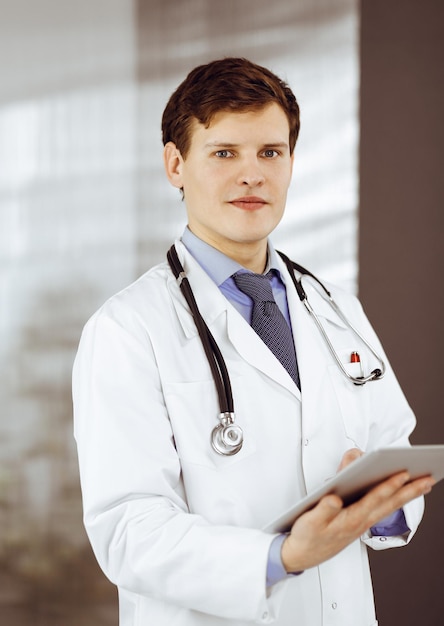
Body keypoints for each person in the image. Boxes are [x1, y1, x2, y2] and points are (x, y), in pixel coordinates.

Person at [73, 58, 434, 626]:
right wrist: (281, 556)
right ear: (175, 164)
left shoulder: (337, 310)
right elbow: (127, 528)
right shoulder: (127, 329)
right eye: (224, 153)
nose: (252, 175)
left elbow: (395, 448)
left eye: (271, 152)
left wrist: (379, 507)